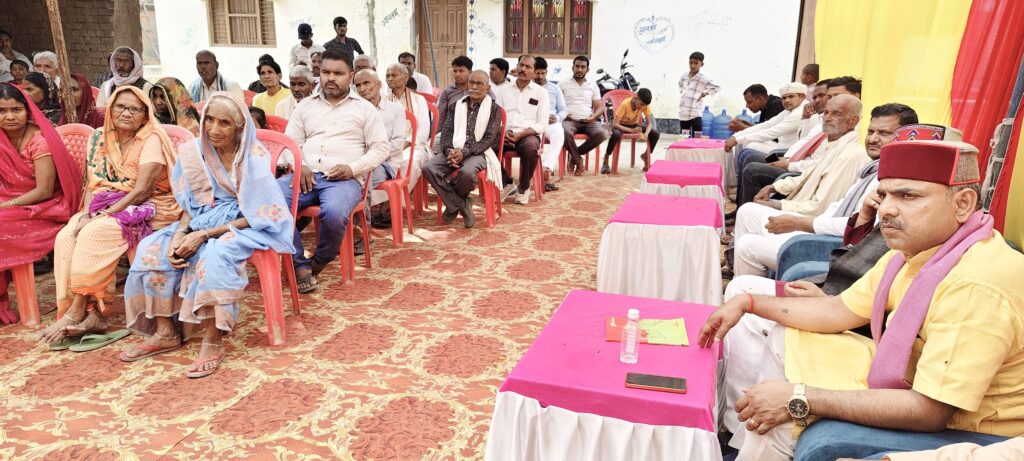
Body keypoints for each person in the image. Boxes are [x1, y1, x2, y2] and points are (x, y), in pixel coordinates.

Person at [702, 140, 1024, 461]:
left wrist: (798, 398)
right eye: (884, 195)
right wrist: (748, 303)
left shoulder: (975, 284)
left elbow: (930, 410)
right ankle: (744, 443)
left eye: (908, 196)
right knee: (786, 334)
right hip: (912, 383)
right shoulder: (912, 253)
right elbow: (837, 309)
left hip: (966, 429)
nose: (886, 210)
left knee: (784, 419)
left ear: (963, 204)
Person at [120, 92, 294, 378]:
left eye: (224, 123)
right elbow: (192, 206)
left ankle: (213, 338)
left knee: (213, 254)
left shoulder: (252, 157)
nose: (214, 129)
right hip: (201, 221)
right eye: (209, 120)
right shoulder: (194, 153)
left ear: (240, 127)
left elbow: (261, 213)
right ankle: (165, 331)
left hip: (245, 225)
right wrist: (181, 233)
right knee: (153, 247)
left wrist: (204, 235)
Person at [39, 86, 180, 345]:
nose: (127, 113)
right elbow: (94, 183)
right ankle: (93, 313)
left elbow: (142, 190)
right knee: (67, 235)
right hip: (106, 202)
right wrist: (86, 213)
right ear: (110, 109)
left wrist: (103, 215)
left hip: (151, 205)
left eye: (135, 109)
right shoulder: (99, 137)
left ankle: (77, 311)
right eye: (121, 107)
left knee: (95, 231)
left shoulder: (151, 139)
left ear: (145, 114)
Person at [732, 104, 918, 279]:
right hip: (821, 227)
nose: (873, 139)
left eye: (884, 133)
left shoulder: (892, 179)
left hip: (834, 245)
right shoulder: (872, 167)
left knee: (747, 245)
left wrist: (800, 223)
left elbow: (862, 228)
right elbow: (836, 204)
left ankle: (752, 296)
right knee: (747, 211)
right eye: (871, 132)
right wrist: (782, 196)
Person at [277, 49, 389, 293]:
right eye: (325, 72)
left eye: (338, 73)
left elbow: (381, 148)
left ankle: (319, 261)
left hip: (344, 180)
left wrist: (353, 168)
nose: (330, 78)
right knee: (270, 200)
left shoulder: (365, 109)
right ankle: (300, 265)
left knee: (335, 214)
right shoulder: (305, 106)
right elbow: (289, 144)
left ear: (351, 75)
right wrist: (300, 165)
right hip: (305, 175)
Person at [732, 95, 869, 250]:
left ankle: (737, 251)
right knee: (747, 211)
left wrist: (778, 204)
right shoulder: (835, 145)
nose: (827, 118)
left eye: (836, 114)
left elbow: (820, 207)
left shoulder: (849, 156)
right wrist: (773, 187)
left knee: (746, 213)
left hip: (808, 224)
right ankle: (736, 249)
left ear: (853, 121)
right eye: (826, 112)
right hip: (799, 199)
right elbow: (807, 176)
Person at [0, 83, 82, 324]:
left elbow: (44, 190)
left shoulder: (39, 141)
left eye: (16, 110)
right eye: (2, 111)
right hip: (11, 201)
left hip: (47, 208)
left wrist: (7, 205)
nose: (9, 117)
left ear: (27, 110)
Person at [421, 70, 502, 228]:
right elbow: (446, 134)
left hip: (479, 152)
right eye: (472, 83)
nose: (474, 87)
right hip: (455, 148)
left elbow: (488, 140)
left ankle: (453, 203)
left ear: (488, 88)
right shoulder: (456, 106)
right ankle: (462, 204)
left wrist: (464, 153)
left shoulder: (494, 109)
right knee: (429, 168)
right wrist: (449, 151)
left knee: (467, 173)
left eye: (479, 84)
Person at [495, 55, 547, 205]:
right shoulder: (503, 91)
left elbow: (542, 123)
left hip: (527, 134)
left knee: (530, 148)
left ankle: (524, 188)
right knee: (483, 147)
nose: (523, 69)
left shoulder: (540, 93)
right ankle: (507, 183)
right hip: (505, 133)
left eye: (528, 67)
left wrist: (520, 135)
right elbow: (496, 117)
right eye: (521, 65)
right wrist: (502, 132)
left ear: (534, 72)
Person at [353, 69, 405, 207]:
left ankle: (361, 217)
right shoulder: (355, 111)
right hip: (359, 161)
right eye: (358, 85)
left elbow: (398, 143)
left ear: (379, 85)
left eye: (366, 83)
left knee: (361, 179)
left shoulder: (396, 109)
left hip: (386, 164)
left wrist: (373, 157)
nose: (362, 89)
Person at [383, 63, 431, 193]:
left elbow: (424, 129)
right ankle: (387, 197)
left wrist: (405, 143)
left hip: (413, 145)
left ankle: (396, 200)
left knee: (411, 162)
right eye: (388, 75)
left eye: (394, 75)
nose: (390, 78)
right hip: (387, 144)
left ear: (405, 77)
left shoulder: (419, 100)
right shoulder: (383, 100)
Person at [725, 82, 807, 156]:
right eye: (784, 98)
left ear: (802, 97)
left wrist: (737, 139)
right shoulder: (789, 110)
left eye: (791, 96)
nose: (787, 100)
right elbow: (767, 125)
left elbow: (772, 132)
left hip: (789, 153)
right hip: (781, 145)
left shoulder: (799, 112)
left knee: (750, 146)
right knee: (744, 142)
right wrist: (736, 137)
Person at [559, 55, 606, 176]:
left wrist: (594, 116)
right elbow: (555, 104)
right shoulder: (562, 84)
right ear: (573, 68)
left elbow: (600, 107)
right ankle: (579, 160)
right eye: (577, 66)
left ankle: (574, 156)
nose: (579, 69)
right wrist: (563, 114)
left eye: (582, 67)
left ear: (587, 69)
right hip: (569, 120)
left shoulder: (592, 85)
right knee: (564, 131)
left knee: (602, 134)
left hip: (588, 121)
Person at [603, 87, 659, 173]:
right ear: (636, 97)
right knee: (616, 134)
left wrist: (646, 134)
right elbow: (615, 124)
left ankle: (645, 156)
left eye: (644, 105)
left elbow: (649, 124)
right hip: (620, 126)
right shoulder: (625, 104)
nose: (642, 107)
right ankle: (606, 158)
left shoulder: (644, 106)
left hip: (633, 125)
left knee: (655, 133)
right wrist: (631, 130)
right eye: (641, 104)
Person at [533, 56, 566, 192]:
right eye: (537, 73)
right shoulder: (528, 87)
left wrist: (557, 118)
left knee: (559, 133)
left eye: (543, 73)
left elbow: (563, 110)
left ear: (546, 72)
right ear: (533, 72)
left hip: (551, 123)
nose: (540, 76)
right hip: (533, 123)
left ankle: (546, 168)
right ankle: (533, 173)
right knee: (533, 142)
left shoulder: (554, 88)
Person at [677, 51, 720, 136]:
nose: (693, 65)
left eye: (696, 63)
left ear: (701, 64)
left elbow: (717, 87)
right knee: (684, 137)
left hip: (695, 113)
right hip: (684, 113)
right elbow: (680, 84)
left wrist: (704, 94)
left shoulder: (703, 78)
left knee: (697, 137)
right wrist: (684, 93)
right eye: (691, 62)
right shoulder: (684, 76)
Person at [436, 56, 476, 138]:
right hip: (451, 134)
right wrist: (434, 135)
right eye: (455, 71)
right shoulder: (447, 92)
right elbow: (440, 117)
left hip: (475, 134)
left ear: (470, 72)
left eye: (461, 71)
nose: (457, 74)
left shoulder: (479, 90)